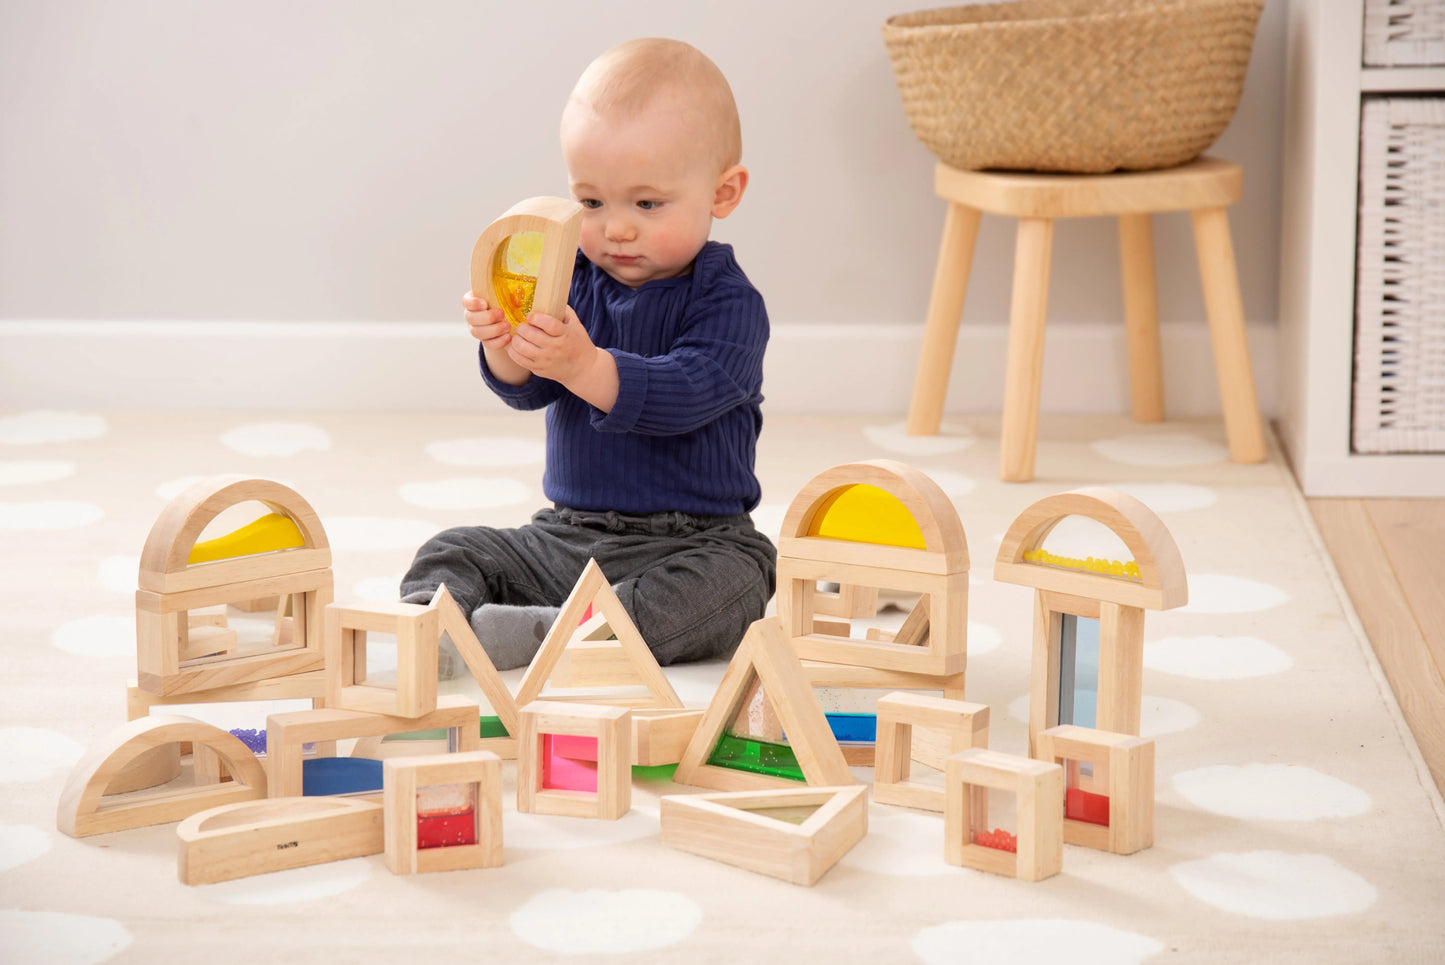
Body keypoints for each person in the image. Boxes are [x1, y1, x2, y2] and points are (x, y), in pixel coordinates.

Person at [400, 37, 775, 672]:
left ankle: (550, 636)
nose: (617, 228)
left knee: (736, 586)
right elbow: (527, 390)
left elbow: (687, 392)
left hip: (696, 539)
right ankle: (433, 629)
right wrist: (507, 347)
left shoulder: (729, 301)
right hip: (568, 535)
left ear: (724, 193)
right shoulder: (570, 275)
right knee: (453, 549)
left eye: (647, 203)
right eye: (592, 202)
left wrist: (584, 365)